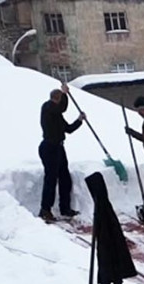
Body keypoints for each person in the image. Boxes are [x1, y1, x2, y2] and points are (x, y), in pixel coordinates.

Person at [37, 85, 82, 221]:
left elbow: (68, 129)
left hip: (59, 148)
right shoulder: (48, 107)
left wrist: (79, 121)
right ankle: (45, 210)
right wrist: (65, 94)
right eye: (61, 99)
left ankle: (65, 208)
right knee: (51, 179)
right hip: (49, 148)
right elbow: (61, 107)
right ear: (56, 99)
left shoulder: (57, 115)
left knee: (65, 178)